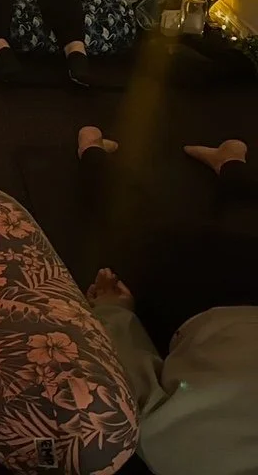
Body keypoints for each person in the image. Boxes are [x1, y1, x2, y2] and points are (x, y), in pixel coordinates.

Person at [79, 127, 258, 475]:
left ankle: (233, 162)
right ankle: (93, 153)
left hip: (212, 306)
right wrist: (114, 312)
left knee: (208, 231)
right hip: (211, 310)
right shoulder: (178, 453)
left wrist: (116, 311)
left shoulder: (181, 453)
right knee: (144, 231)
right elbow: (133, 380)